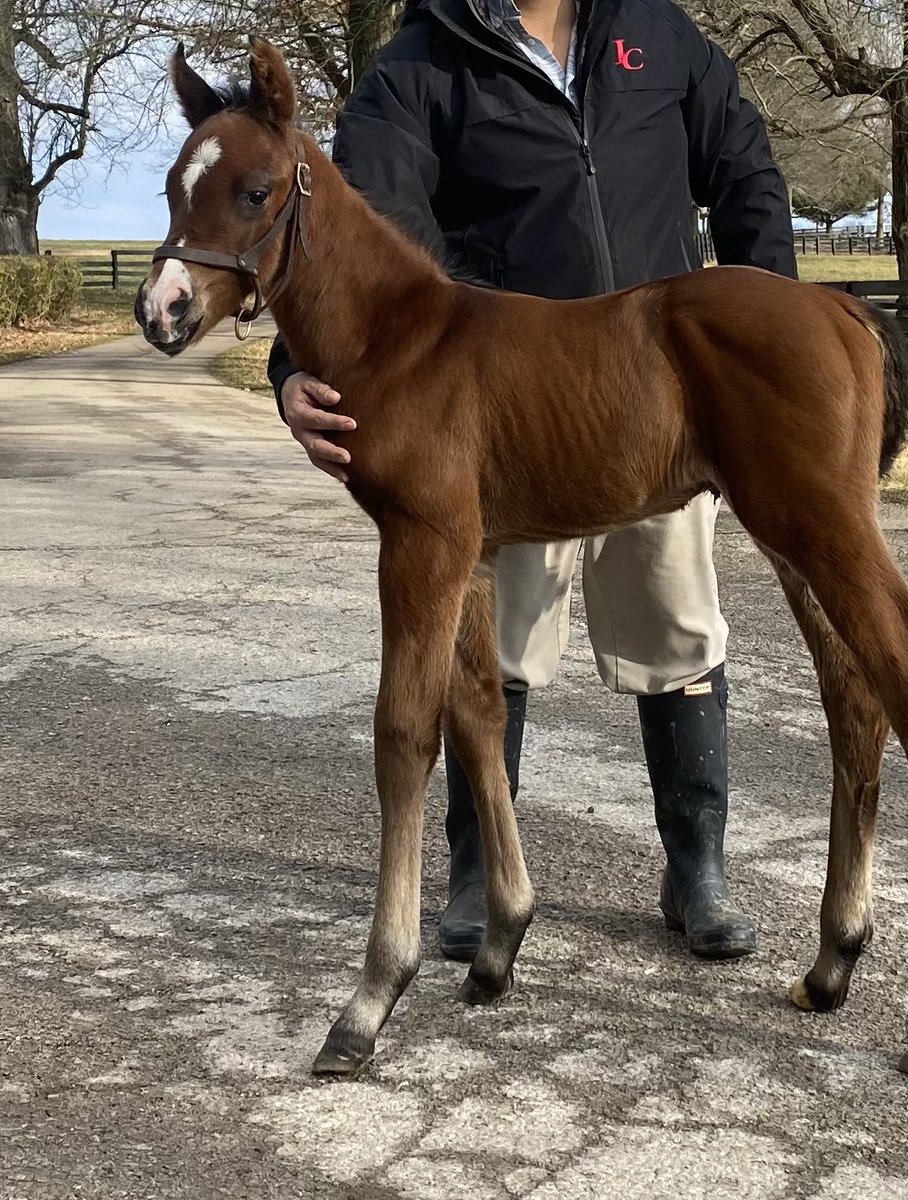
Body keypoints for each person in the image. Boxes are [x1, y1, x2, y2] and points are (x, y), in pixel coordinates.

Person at [268, 0, 797, 965]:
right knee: (495, 648)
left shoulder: (657, 33)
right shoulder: (424, 62)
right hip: (504, 408)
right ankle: (480, 872)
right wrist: (288, 369)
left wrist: (764, 379)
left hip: (657, 397)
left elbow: (745, 168)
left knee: (678, 631)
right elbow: (355, 235)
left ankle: (697, 865)